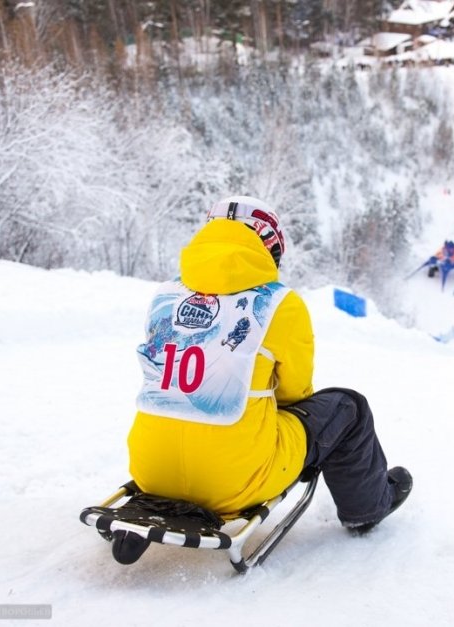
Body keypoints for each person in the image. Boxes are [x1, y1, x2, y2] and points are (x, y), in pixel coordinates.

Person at [127, 195, 411, 535]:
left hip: (150, 471)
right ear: (268, 247)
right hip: (235, 482)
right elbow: (295, 394)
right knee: (349, 408)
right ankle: (367, 509)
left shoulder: (165, 294)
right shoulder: (279, 304)